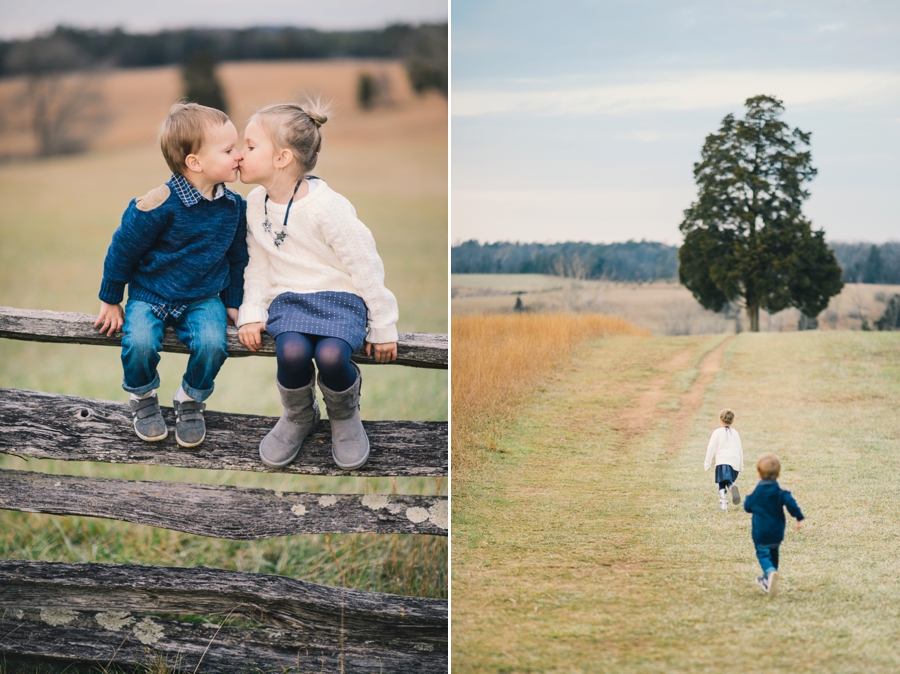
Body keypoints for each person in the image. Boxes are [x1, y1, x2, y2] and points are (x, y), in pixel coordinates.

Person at [236, 100, 398, 471]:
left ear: (282, 158)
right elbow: (257, 266)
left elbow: (365, 265)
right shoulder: (254, 203)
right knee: (290, 352)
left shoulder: (328, 207)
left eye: (250, 146)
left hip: (341, 299)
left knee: (330, 356)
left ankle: (344, 415)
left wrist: (384, 324)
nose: (240, 155)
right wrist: (251, 313)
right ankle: (299, 416)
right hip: (290, 300)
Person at [94, 103, 248, 448]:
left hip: (203, 296)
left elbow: (239, 259)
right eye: (228, 150)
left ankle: (190, 399)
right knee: (140, 344)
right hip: (151, 293)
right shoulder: (158, 202)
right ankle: (143, 396)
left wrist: (234, 302)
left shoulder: (234, 207)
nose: (238, 156)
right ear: (194, 162)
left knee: (212, 345)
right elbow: (123, 248)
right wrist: (111, 299)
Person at [743, 453, 805, 596]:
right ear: (778, 474)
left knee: (763, 554)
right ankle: (770, 578)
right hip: (777, 531)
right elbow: (792, 504)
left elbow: (747, 508)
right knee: (773, 552)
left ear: (758, 474)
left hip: (760, 532)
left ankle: (770, 573)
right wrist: (799, 518)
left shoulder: (755, 492)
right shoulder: (781, 491)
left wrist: (748, 495)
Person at [704, 408, 744, 510]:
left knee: (722, 482)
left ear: (720, 420)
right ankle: (732, 485)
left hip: (722, 461)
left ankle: (723, 504)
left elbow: (711, 447)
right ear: (732, 421)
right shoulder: (735, 433)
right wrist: (741, 465)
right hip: (734, 461)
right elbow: (740, 449)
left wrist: (707, 463)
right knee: (728, 479)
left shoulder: (717, 432)